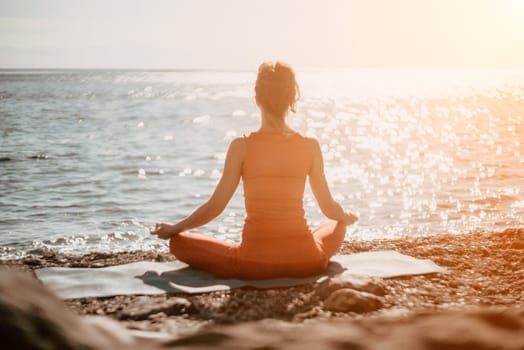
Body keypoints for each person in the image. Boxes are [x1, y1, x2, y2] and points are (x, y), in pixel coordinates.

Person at [150, 61, 357, 279]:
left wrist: (175, 229)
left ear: (257, 99)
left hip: (254, 264)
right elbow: (329, 207)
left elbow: (215, 206)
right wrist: (346, 216)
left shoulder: (241, 147)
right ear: (292, 99)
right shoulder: (310, 146)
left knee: (178, 243)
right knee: (336, 224)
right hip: (308, 261)